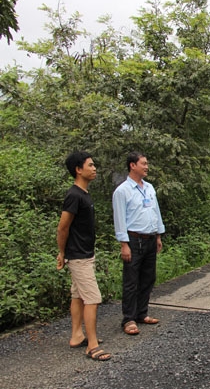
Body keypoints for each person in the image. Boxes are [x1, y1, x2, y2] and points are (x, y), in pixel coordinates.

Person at [56, 151, 112, 361]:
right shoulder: (74, 195)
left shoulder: (84, 194)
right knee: (93, 298)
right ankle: (92, 344)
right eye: (90, 165)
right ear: (78, 170)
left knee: (78, 295)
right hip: (77, 256)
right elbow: (63, 228)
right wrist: (62, 253)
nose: (94, 168)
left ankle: (76, 336)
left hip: (84, 254)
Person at [112, 152, 165, 335]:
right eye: (143, 163)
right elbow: (119, 218)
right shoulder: (123, 191)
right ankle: (129, 319)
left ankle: (142, 313)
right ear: (132, 165)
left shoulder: (149, 187)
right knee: (131, 280)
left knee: (148, 278)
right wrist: (124, 244)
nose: (146, 166)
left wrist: (158, 235)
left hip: (150, 238)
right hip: (133, 240)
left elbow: (155, 212)